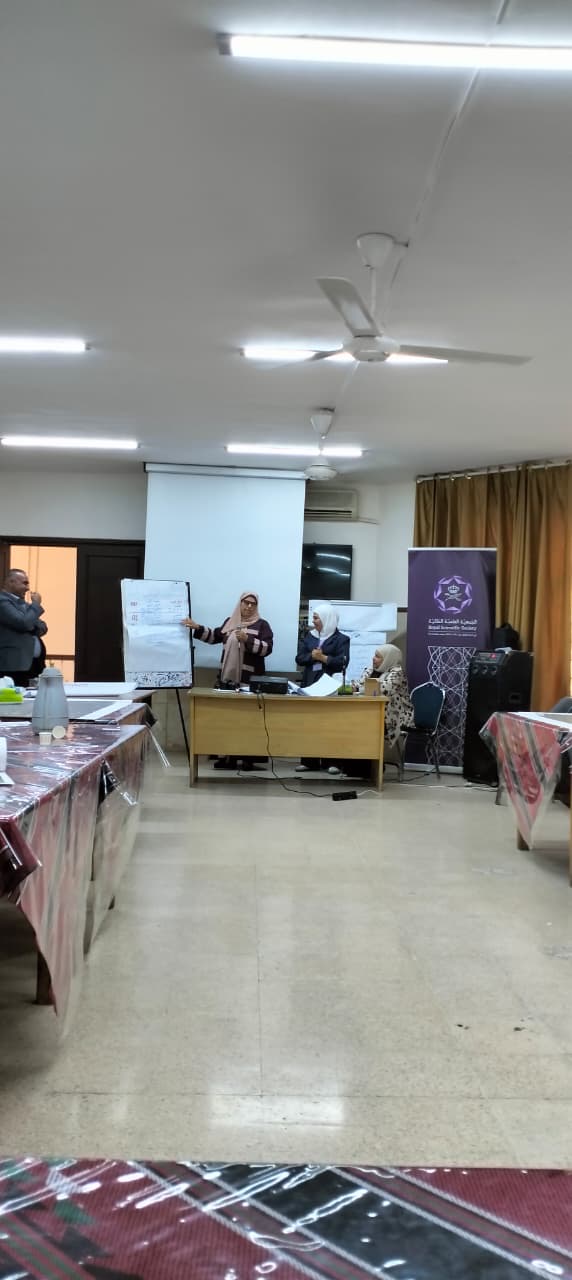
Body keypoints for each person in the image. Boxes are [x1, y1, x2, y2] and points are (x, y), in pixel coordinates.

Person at [182, 591, 273, 770]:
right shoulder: (230, 622)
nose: (249, 606)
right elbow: (214, 636)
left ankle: (248, 759)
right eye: (246, 602)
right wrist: (197, 627)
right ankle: (228, 757)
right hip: (227, 682)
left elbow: (267, 648)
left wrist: (248, 639)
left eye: (253, 604)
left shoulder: (262, 625)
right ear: (240, 604)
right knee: (227, 720)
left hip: (249, 684)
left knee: (247, 722)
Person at [295, 604, 350, 773]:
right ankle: (308, 761)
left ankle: (332, 762)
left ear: (327, 619)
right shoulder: (309, 637)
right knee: (308, 724)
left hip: (329, 686)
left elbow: (342, 662)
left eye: (316, 618)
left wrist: (324, 658)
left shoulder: (342, 639)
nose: (313, 621)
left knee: (330, 724)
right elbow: (299, 658)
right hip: (310, 684)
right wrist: (312, 656)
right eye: (313, 617)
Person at [354, 643, 414, 746]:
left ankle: (369, 753)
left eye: (378, 657)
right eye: (374, 655)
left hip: (393, 715)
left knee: (363, 724)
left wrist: (358, 689)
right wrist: (352, 687)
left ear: (388, 658)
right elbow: (359, 683)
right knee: (354, 720)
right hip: (373, 712)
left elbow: (383, 689)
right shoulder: (371, 669)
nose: (373, 658)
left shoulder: (397, 673)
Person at [0, 568, 48, 687]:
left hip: (34, 663)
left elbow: (43, 626)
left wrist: (30, 625)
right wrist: (35, 604)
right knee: (17, 696)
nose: (27, 588)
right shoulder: (2, 601)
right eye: (24, 583)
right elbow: (23, 623)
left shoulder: (22, 604)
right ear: (11, 582)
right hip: (14, 664)